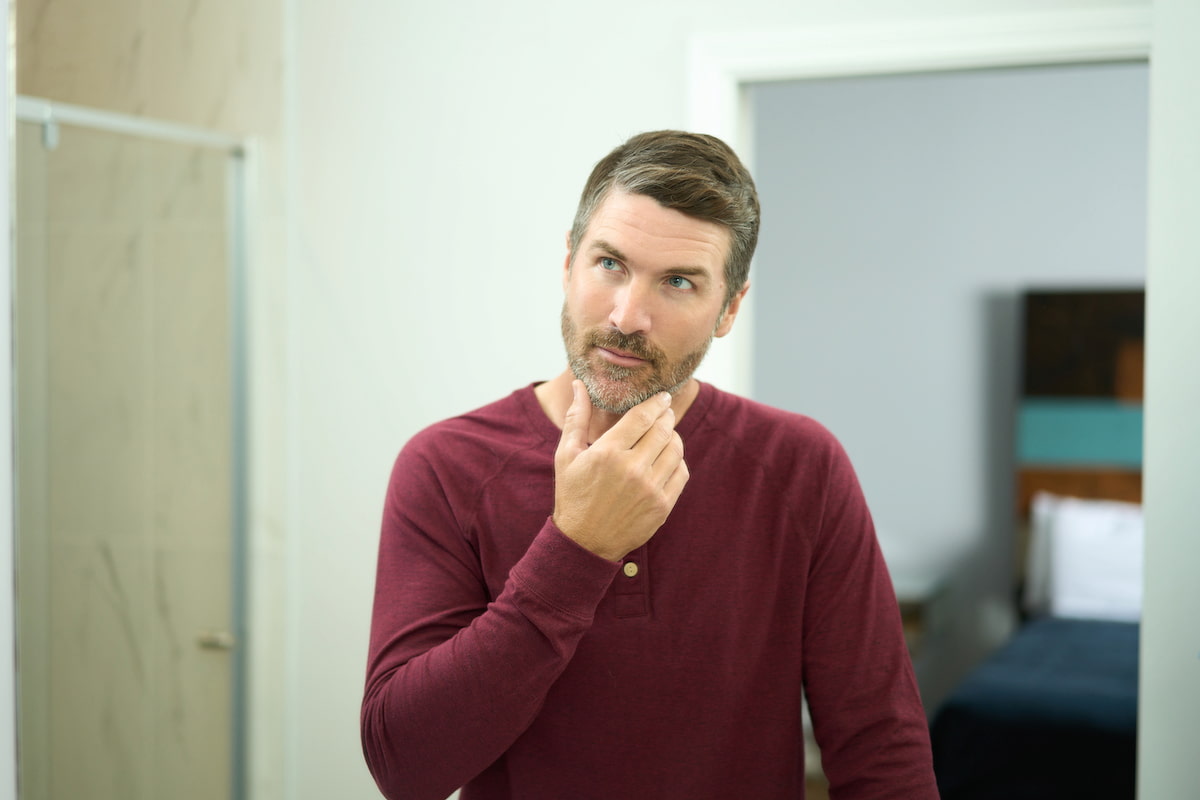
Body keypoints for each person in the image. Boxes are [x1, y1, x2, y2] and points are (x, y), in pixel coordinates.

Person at [361, 130, 939, 800]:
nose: (628, 315)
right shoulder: (444, 466)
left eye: (678, 282)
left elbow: (881, 751)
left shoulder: (801, 466)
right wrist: (577, 548)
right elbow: (404, 766)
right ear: (569, 263)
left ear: (728, 309)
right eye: (610, 264)